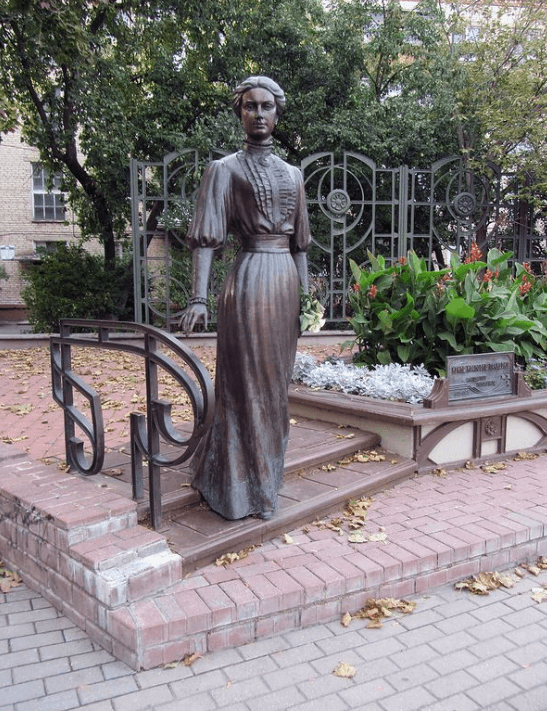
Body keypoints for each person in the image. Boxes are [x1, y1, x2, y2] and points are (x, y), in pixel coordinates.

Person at [179, 76, 311, 520]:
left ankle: (265, 479)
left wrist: (309, 302)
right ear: (240, 113)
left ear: (278, 113)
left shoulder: (294, 174)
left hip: (285, 284)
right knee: (246, 385)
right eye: (250, 106)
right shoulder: (224, 169)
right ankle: (242, 488)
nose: (259, 114)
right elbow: (206, 241)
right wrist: (198, 298)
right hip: (250, 280)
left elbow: (300, 246)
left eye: (267, 107)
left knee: (276, 388)